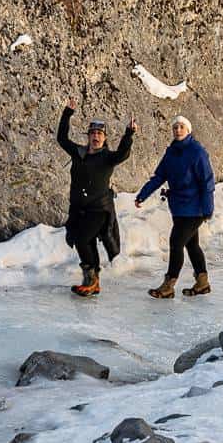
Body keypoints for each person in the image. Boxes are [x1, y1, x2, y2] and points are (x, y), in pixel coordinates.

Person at [57, 98, 136, 297]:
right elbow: (61, 138)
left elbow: (123, 154)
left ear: (104, 138)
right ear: (89, 136)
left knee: (83, 240)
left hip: (99, 209)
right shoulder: (79, 153)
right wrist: (67, 113)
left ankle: (91, 279)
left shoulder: (108, 157)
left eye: (100, 134)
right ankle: (93, 281)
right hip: (78, 209)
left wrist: (129, 133)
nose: (96, 137)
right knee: (84, 241)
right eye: (93, 133)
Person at [135, 116, 215, 299]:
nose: (178, 130)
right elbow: (159, 176)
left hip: (196, 208)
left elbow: (207, 181)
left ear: (188, 130)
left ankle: (169, 285)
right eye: (175, 127)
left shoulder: (197, 152)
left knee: (176, 242)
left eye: (181, 127)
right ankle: (202, 283)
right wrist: (143, 194)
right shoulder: (171, 153)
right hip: (178, 207)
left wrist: (208, 208)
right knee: (192, 244)